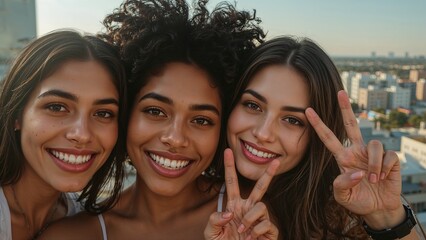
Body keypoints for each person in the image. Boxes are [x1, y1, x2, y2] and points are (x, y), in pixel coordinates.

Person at [38, 0, 276, 239]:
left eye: (202, 120)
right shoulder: (70, 234)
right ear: (126, 113)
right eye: (155, 111)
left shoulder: (257, 218)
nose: (175, 138)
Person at [205, 36, 426, 239]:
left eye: (293, 120)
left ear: (318, 136)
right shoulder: (190, 198)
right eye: (252, 105)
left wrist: (385, 217)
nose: (263, 133)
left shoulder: (341, 216)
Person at [0, 30, 127, 240]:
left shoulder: (85, 224)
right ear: (17, 114)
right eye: (57, 107)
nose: (82, 134)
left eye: (103, 113)